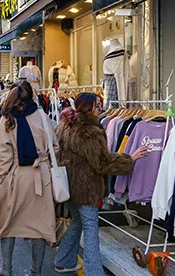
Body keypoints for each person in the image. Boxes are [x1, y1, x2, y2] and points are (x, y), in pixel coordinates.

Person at [53, 93, 148, 275]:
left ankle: (63, 260)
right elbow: (102, 163)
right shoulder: (90, 132)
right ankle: (94, 272)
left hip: (69, 187)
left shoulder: (66, 125)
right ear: (88, 108)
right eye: (97, 106)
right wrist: (130, 158)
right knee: (90, 229)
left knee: (77, 223)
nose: (101, 109)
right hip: (86, 189)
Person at [0, 81, 57, 276]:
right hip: (41, 177)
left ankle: (6, 268)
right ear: (32, 95)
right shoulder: (42, 115)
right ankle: (36, 271)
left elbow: (4, 155)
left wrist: (1, 180)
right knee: (39, 225)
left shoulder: (7, 119)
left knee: (8, 222)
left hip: (16, 176)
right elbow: (54, 147)